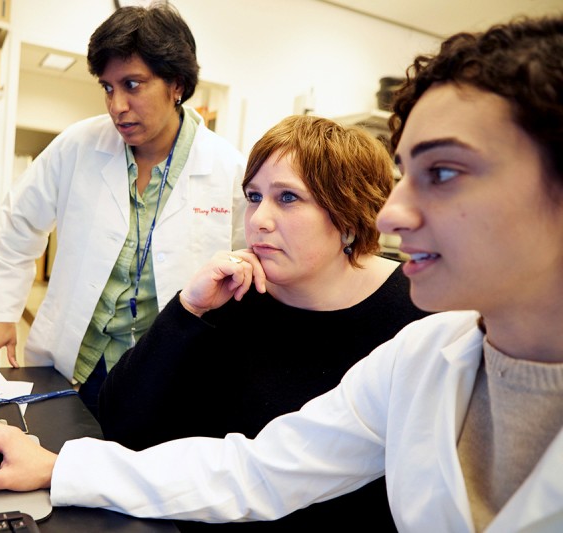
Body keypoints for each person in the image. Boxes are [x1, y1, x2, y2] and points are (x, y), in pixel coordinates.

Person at [0, 15, 563, 532]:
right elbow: (259, 470)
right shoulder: (426, 355)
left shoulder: (411, 325)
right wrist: (60, 466)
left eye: (444, 172)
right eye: (254, 198)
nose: (395, 211)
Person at [98, 114, 430, 531]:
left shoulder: (417, 312)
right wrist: (187, 310)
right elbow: (119, 422)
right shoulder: (235, 294)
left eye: (287, 198)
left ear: (349, 214)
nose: (258, 220)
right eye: (253, 197)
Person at [0, 4, 247, 417]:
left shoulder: (229, 169)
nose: (117, 105)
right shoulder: (77, 145)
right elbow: (18, 223)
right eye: (107, 87)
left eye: (132, 84)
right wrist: (2, 314)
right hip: (75, 367)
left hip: (170, 376)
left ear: (176, 83)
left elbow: (250, 270)